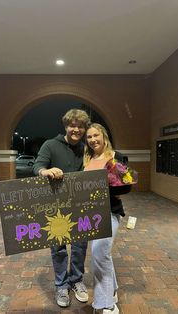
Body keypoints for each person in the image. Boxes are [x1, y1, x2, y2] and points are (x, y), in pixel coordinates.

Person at [32, 108, 91, 308]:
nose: (76, 129)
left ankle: (77, 281)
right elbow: (37, 166)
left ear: (84, 129)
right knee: (58, 248)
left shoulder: (85, 149)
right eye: (72, 125)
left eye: (80, 126)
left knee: (80, 246)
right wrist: (46, 171)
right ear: (66, 126)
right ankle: (61, 285)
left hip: (80, 207)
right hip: (55, 208)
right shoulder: (50, 145)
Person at [84, 123, 129, 314]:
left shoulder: (116, 157)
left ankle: (106, 305)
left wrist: (118, 188)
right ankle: (112, 293)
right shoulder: (87, 158)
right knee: (102, 255)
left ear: (104, 136)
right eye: (89, 137)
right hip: (90, 214)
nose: (93, 140)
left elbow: (126, 183)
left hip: (110, 211)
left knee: (99, 255)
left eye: (96, 135)